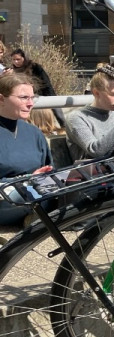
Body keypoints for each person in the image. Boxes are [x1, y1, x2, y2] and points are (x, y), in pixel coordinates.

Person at [0, 73, 53, 226]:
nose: (30, 104)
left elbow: (48, 168)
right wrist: (24, 181)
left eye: (32, 98)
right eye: (23, 98)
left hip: (36, 194)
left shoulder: (34, 133)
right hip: (7, 198)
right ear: (1, 99)